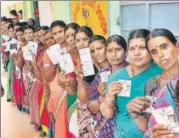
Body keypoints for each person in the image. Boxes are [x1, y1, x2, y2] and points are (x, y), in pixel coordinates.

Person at [100, 29, 162, 138]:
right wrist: (109, 98)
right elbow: (108, 114)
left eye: (142, 48)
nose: (136, 53)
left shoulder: (161, 72)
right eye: (132, 49)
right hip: (121, 134)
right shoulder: (117, 77)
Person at [128, 29, 179, 138]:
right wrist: (134, 113)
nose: (160, 55)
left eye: (164, 47)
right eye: (154, 52)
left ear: (177, 47)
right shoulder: (151, 84)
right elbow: (148, 126)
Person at [88, 35, 128, 137]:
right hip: (105, 131)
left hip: (127, 131)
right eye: (110, 51)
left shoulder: (133, 73)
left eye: (118, 49)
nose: (114, 54)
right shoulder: (101, 75)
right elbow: (90, 106)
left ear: (126, 51)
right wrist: (101, 99)